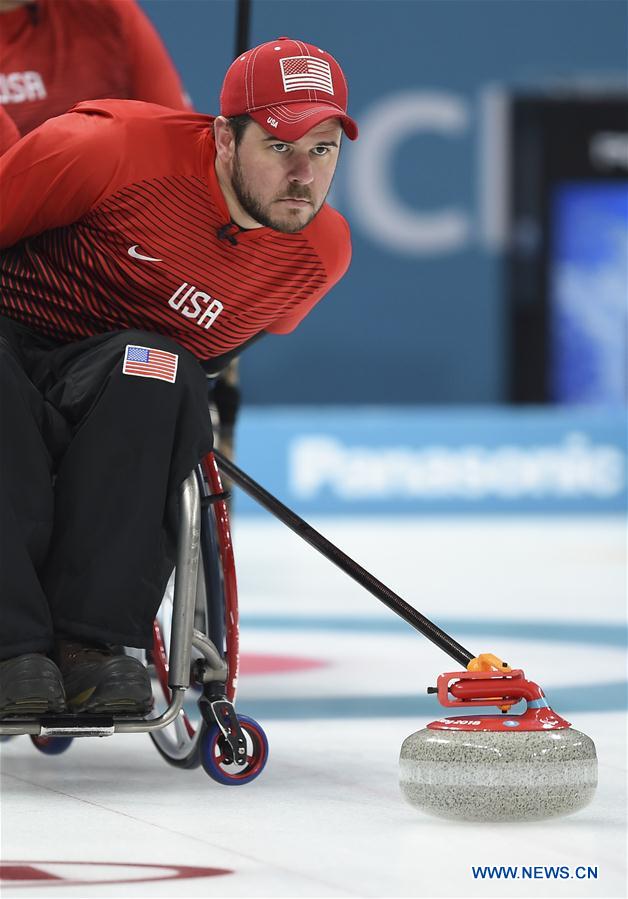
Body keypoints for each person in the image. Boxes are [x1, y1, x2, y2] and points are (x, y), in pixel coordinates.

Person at [0, 36, 358, 717]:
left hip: (109, 379)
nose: (303, 176)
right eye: (279, 147)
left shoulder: (318, 256)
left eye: (323, 149)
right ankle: (11, 645)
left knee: (163, 369)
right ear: (225, 136)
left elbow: (217, 355)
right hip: (12, 332)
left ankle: (92, 647)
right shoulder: (107, 149)